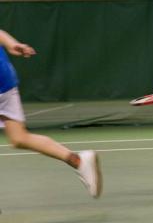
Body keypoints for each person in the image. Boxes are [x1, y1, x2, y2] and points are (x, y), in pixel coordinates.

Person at [0, 30, 102, 198]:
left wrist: (11, 44)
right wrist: (12, 44)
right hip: (5, 80)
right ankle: (78, 161)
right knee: (19, 138)